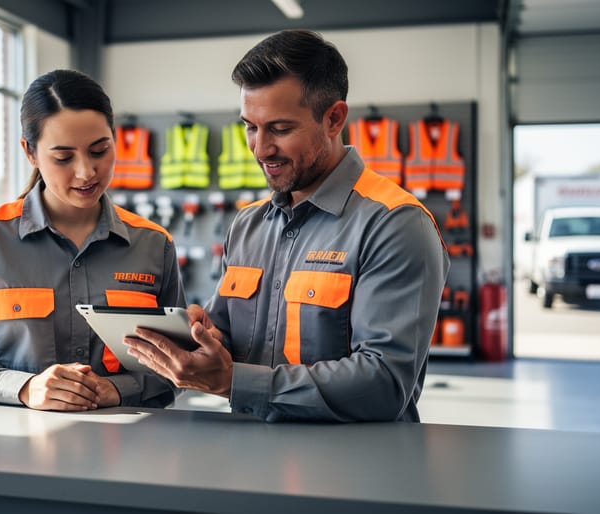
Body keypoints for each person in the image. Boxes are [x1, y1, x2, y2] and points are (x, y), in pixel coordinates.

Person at [123, 30, 449, 422]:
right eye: (250, 127)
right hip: (249, 457)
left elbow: (383, 384)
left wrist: (232, 382)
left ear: (334, 118)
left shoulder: (394, 224)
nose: (260, 149)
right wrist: (199, 337)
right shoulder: (247, 224)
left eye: (279, 129)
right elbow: (228, 335)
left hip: (353, 471)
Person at [0, 69, 185, 411]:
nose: (86, 172)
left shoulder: (153, 244)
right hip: (14, 450)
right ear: (30, 153)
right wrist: (24, 387)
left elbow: (176, 368)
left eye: (99, 150)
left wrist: (117, 389)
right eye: (63, 158)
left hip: (128, 453)